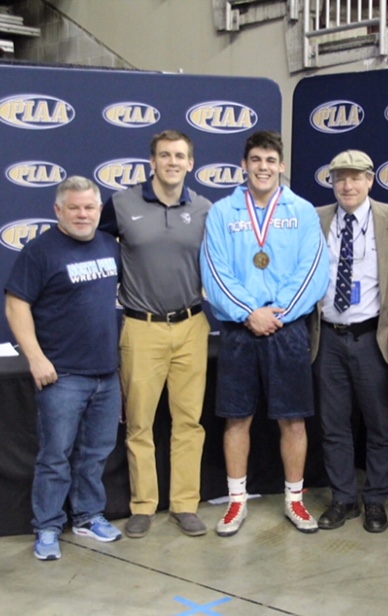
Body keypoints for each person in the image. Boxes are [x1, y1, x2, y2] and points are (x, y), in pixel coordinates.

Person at [200, 130, 329, 537]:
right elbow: (214, 271)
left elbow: (313, 270)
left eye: (271, 160)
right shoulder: (223, 212)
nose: (263, 167)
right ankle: (237, 501)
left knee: (293, 420)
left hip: (287, 330)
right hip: (239, 330)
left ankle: (295, 500)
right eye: (256, 159)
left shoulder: (303, 211)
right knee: (237, 418)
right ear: (244, 164)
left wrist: (280, 313)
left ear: (282, 166)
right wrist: (247, 313)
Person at [100, 130, 212, 539]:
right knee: (140, 423)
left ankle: (185, 504)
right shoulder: (122, 204)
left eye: (179, 156)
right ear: (152, 162)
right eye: (164, 155)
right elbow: (91, 246)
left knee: (188, 422)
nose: (172, 162)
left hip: (191, 325)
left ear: (190, 163)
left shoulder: (203, 208)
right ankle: (143, 506)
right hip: (141, 327)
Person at [5, 176, 121, 560]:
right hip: (62, 375)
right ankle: (49, 527)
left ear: (99, 210)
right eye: (74, 207)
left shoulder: (109, 245)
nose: (83, 214)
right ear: (58, 210)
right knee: (55, 456)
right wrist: (35, 358)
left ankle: (88, 516)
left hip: (106, 372)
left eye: (89, 207)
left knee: (96, 452)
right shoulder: (40, 251)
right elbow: (16, 304)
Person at [311, 150, 388, 533]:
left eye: (355, 177)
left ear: (371, 180)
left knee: (379, 427)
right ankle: (343, 499)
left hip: (373, 337)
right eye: (340, 178)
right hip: (328, 339)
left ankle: (375, 500)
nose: (347, 185)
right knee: (334, 425)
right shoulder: (316, 218)